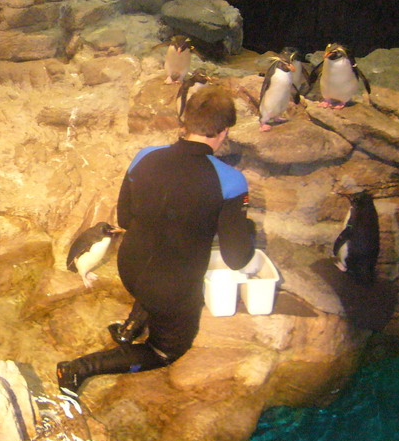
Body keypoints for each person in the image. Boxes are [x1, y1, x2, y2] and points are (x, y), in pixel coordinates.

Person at [56, 85, 257, 393]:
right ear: (224, 131)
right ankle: (78, 368)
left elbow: (124, 219)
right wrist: (247, 227)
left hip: (131, 269)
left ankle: (128, 328)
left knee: (158, 265)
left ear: (185, 121)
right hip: (172, 288)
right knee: (166, 350)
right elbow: (237, 257)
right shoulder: (230, 181)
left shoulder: (144, 157)